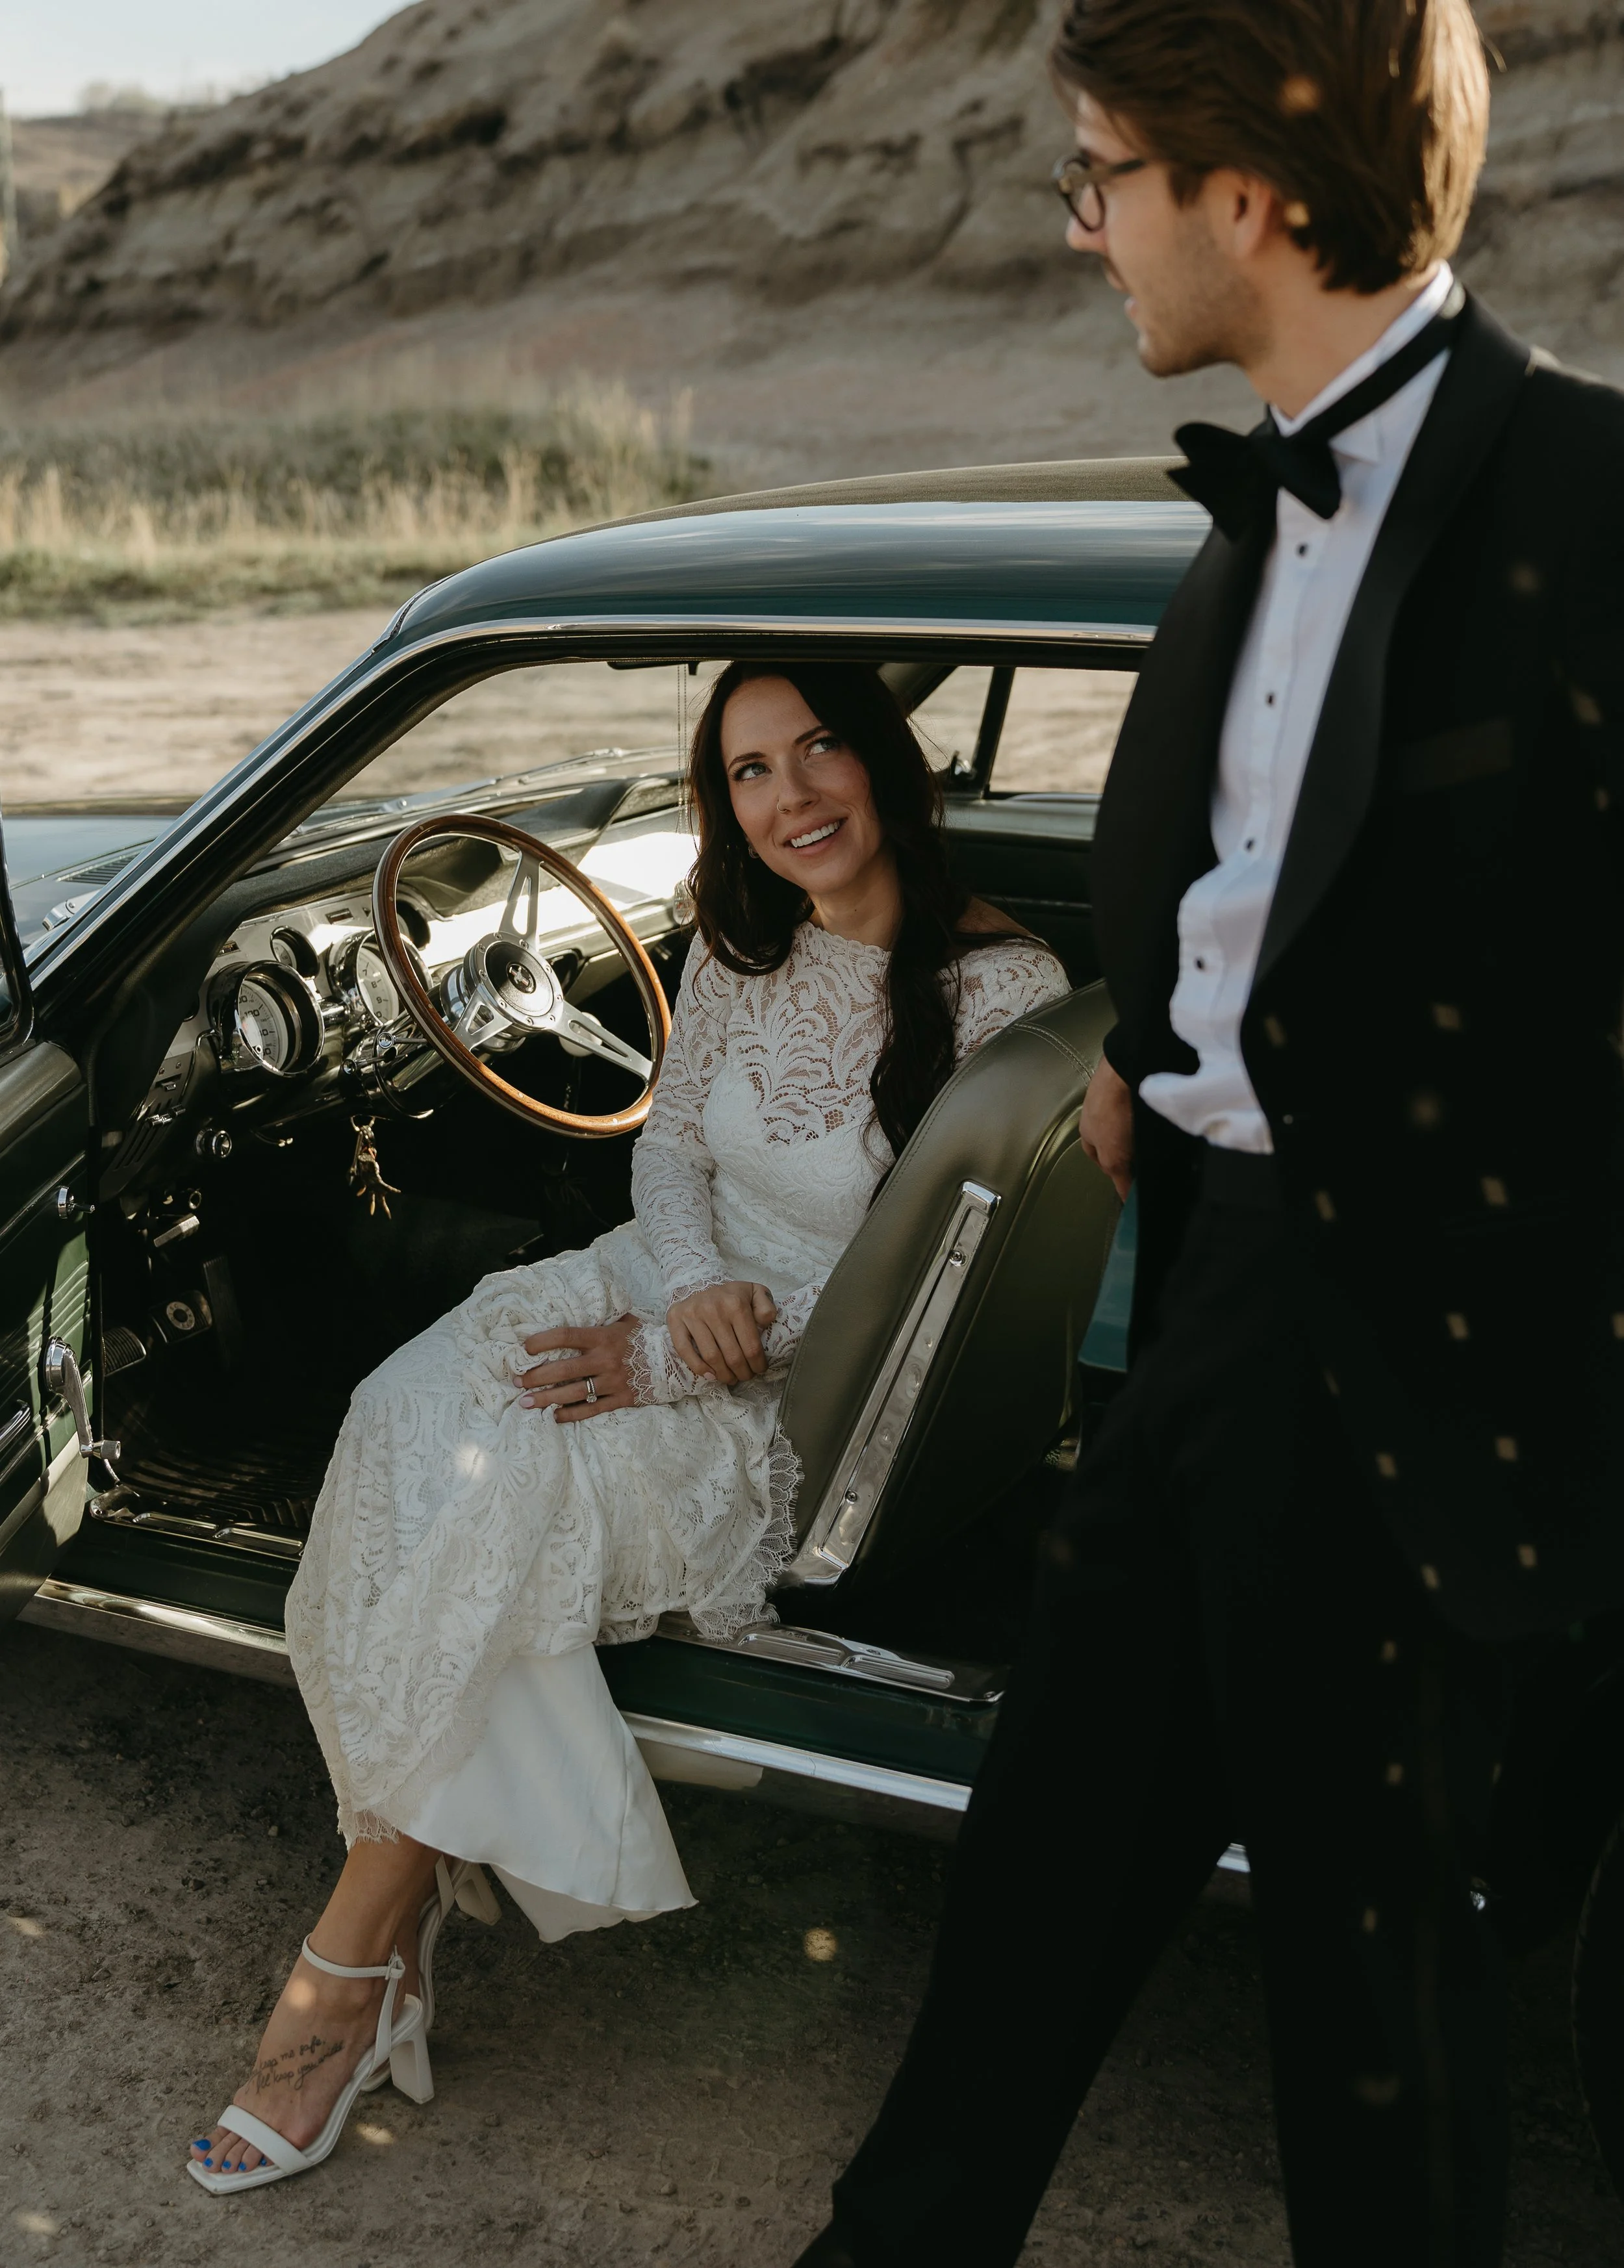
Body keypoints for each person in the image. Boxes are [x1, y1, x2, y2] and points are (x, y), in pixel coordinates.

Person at [795, 3, 1624, 2263]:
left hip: (1417, 1407)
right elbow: (1250, 902)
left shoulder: (1592, 495)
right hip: (1194, 1348)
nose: (1083, 235)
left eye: (1098, 179)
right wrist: (1168, 1073)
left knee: (1386, 2084)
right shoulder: (1247, 514)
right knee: (1011, 1960)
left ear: (1245, 187)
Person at [183, 662, 1068, 2190]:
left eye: (817, 752)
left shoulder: (1005, 991)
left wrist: (673, 1356)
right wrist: (687, 1283)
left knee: (500, 1499)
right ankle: (405, 1891)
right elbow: (665, 1152)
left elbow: (925, 1282)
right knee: (396, 1413)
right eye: (746, 772)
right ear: (723, 806)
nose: (790, 797)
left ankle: (343, 1971)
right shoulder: (738, 957)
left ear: (884, 765)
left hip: (809, 1388)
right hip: (669, 1279)